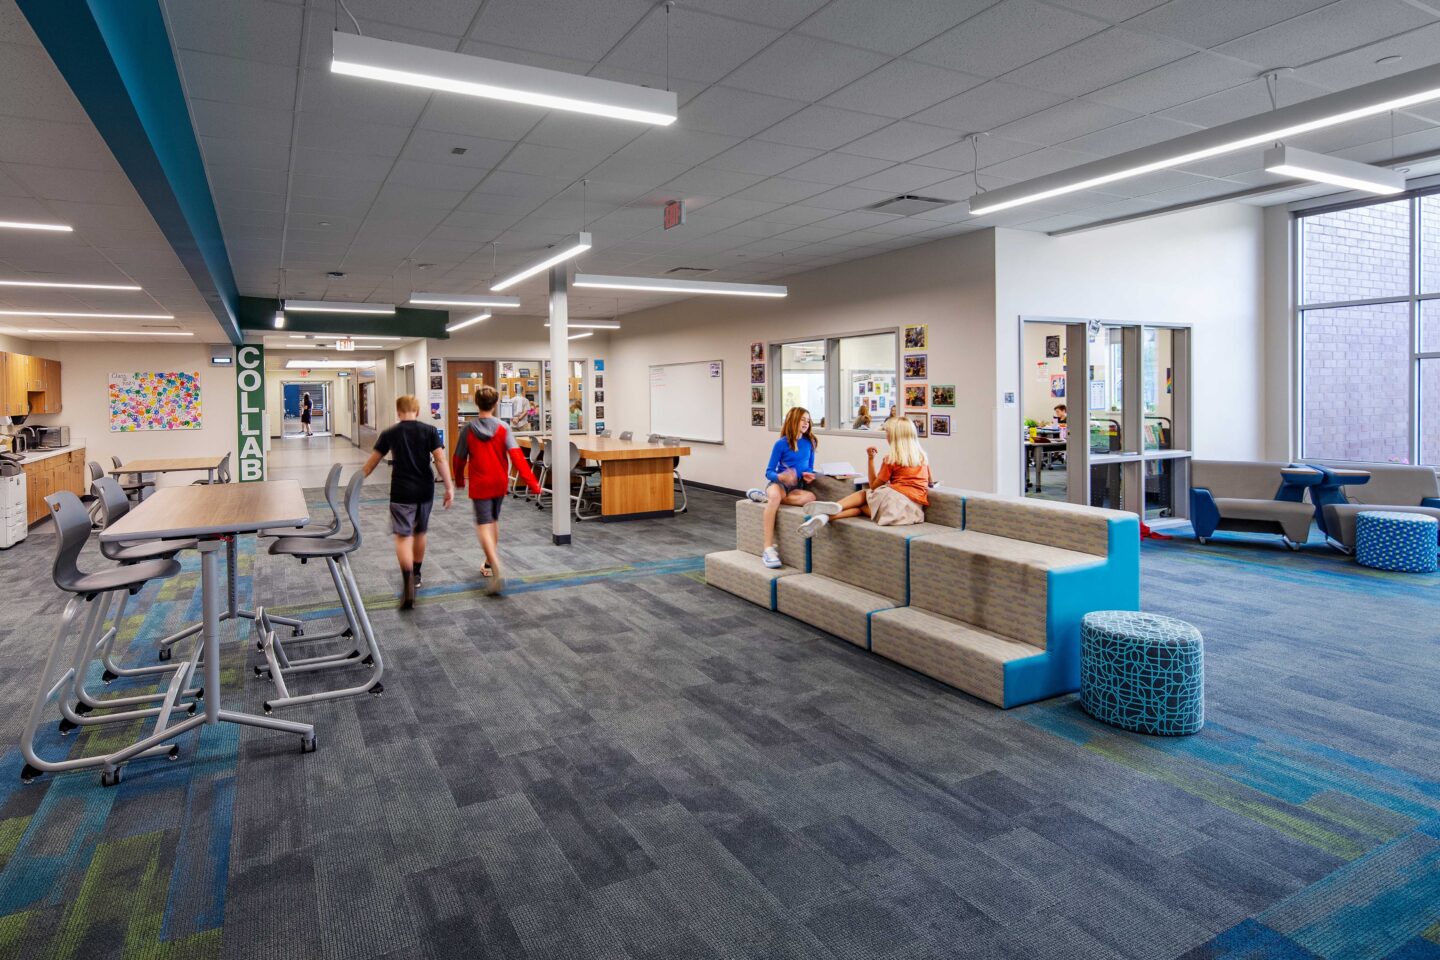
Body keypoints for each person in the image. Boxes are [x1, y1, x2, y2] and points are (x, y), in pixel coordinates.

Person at [361, 394, 454, 610]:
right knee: (420, 533)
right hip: (425, 488)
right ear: (418, 411)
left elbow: (371, 464)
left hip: (401, 490)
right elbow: (440, 459)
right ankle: (418, 572)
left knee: (403, 537)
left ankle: (408, 579)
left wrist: (355, 483)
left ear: (398, 412)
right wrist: (448, 486)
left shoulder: (390, 433)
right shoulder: (429, 431)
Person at [453, 385, 540, 595]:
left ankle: (495, 563)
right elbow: (517, 458)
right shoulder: (503, 428)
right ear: (495, 404)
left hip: (480, 483)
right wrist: (533, 483)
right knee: (493, 521)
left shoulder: (468, 429)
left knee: (484, 525)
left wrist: (459, 480)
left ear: (477, 403)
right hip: (500, 482)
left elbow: (458, 459)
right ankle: (489, 563)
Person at [799, 417, 930, 537]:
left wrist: (870, 459)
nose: (887, 436)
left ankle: (836, 506)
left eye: (888, 433)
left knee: (863, 494)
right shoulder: (923, 459)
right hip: (911, 513)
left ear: (895, 437)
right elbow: (929, 482)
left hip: (893, 505)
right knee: (861, 509)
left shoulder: (891, 459)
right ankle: (824, 517)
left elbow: (873, 485)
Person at [745, 407, 818, 569]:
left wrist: (809, 474)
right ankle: (768, 549)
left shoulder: (810, 442)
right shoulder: (781, 444)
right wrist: (781, 477)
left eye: (808, 420)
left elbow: (810, 467)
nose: (806, 423)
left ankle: (765, 497)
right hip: (778, 485)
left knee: (811, 498)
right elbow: (769, 472)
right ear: (793, 421)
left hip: (796, 487)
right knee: (776, 496)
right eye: (802, 420)